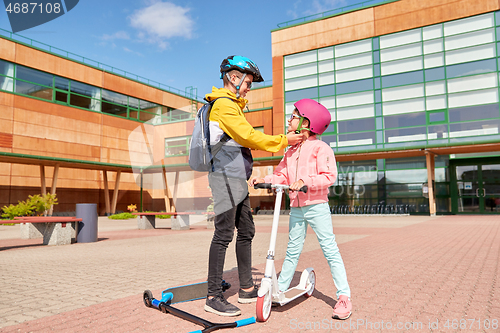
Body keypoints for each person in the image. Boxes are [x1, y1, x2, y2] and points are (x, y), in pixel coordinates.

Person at [204, 55, 304, 316]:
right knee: (224, 234)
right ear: (233, 78)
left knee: (246, 229)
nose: (249, 87)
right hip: (224, 177)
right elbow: (248, 136)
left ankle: (247, 287)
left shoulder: (234, 105)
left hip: (236, 178)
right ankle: (213, 295)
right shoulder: (224, 105)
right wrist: (284, 140)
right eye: (248, 82)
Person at [249, 98, 353, 320]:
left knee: (329, 248)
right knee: (293, 249)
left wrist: (305, 181)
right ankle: (281, 289)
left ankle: (344, 296)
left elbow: (329, 176)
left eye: (294, 116)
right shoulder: (291, 151)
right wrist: (264, 179)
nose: (290, 119)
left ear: (307, 122)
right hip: (296, 207)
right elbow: (282, 174)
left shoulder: (320, 147)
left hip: (316, 206)